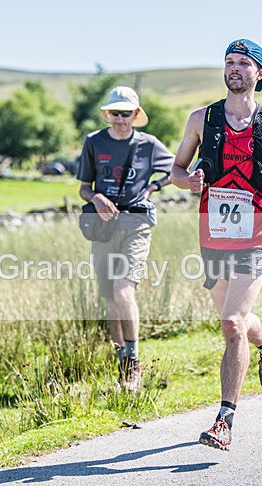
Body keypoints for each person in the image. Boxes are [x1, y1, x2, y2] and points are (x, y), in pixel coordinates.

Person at [170, 39, 262, 450]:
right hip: (212, 234)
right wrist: (188, 180)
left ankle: (224, 421)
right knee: (237, 320)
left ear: (259, 73)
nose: (234, 68)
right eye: (229, 62)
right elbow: (177, 169)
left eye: (243, 63)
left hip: (256, 232)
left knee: (231, 323)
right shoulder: (202, 118)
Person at [77, 86, 174, 393]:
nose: (120, 119)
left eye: (126, 113)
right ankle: (122, 362)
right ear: (108, 115)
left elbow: (179, 167)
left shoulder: (149, 144)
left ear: (136, 115)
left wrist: (154, 187)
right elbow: (83, 187)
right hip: (104, 225)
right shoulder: (94, 142)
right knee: (108, 300)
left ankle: (134, 362)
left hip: (137, 224)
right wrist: (97, 198)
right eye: (115, 113)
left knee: (122, 292)